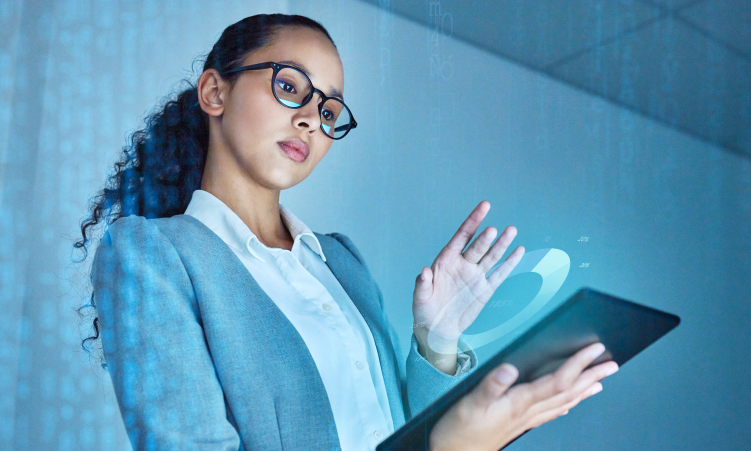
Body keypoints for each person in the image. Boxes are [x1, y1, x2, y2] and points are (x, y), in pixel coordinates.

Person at [76, 13, 619, 451]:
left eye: (328, 107)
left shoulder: (341, 261)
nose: (312, 118)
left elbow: (396, 431)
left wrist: (436, 343)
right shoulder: (150, 254)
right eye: (289, 86)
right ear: (215, 93)